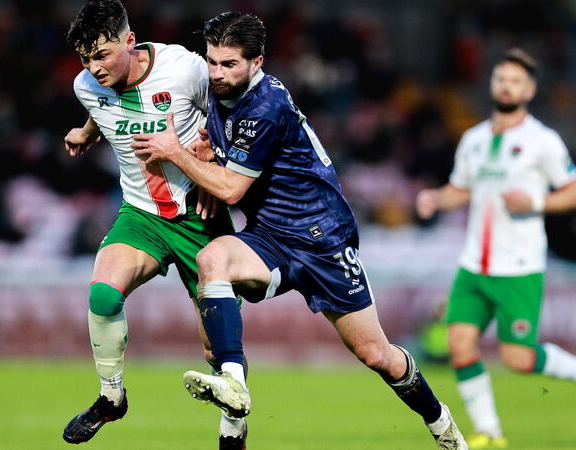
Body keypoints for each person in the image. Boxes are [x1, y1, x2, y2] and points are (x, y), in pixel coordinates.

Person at [132, 12, 468, 449]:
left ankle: (442, 425)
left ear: (257, 62)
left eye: (229, 64)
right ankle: (233, 386)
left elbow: (231, 189)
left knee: (376, 355)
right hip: (270, 236)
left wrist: (177, 153)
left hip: (321, 239)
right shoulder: (222, 92)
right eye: (212, 61)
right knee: (212, 259)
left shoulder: (265, 105)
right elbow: (230, 151)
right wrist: (210, 151)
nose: (216, 73)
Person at [60, 0, 239, 444]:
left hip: (199, 216)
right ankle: (111, 397)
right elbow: (102, 108)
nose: (94, 68)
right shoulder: (86, 86)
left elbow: (232, 111)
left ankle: (233, 430)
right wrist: (86, 132)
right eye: (85, 59)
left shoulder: (183, 69)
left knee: (217, 349)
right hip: (141, 214)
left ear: (130, 41)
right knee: (103, 294)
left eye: (102, 55)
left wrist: (214, 159)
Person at [415, 48, 576, 448]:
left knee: (518, 358)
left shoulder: (543, 141)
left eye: (516, 81)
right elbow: (462, 189)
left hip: (519, 266)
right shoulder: (474, 139)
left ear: (530, 90)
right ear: (493, 84)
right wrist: (436, 198)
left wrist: (535, 202)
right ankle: (491, 432)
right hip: (474, 264)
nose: (506, 86)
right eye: (501, 78)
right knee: (459, 343)